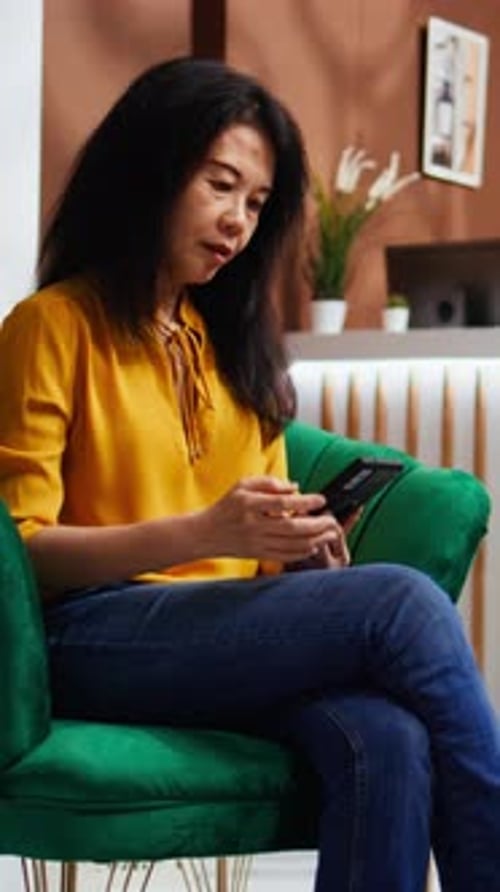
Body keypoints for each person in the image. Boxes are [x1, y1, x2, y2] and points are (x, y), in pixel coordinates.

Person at [0, 56, 499, 892]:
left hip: (218, 639)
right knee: (403, 599)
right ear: (150, 173)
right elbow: (22, 552)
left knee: (388, 740)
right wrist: (205, 531)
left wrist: (300, 556)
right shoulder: (51, 326)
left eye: (257, 203)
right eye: (220, 185)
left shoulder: (232, 349)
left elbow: (252, 554)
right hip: (88, 636)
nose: (238, 221)